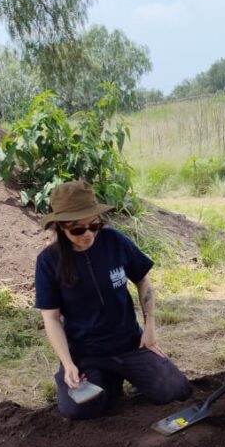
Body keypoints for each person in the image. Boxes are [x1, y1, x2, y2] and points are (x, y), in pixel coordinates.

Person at [35, 179, 191, 420]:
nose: (88, 234)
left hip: (131, 345)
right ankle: (106, 379)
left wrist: (150, 328)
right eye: (77, 230)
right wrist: (68, 363)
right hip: (86, 354)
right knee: (78, 409)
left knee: (175, 390)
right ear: (61, 227)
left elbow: (143, 281)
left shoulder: (115, 241)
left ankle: (117, 376)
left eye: (94, 225)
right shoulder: (48, 261)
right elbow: (52, 318)